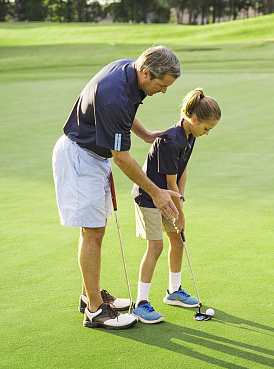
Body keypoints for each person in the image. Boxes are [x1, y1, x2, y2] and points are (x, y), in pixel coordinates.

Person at [52, 46, 184, 329]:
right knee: (93, 233)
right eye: (161, 85)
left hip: (93, 157)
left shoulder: (130, 71)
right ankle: (95, 310)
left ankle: (90, 294)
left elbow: (125, 114)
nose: (163, 92)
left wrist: (145, 134)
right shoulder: (116, 94)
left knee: (95, 231)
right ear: (146, 72)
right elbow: (122, 158)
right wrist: (156, 192)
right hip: (79, 158)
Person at [129, 88, 221, 324]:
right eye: (206, 128)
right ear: (194, 119)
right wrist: (179, 215)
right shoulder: (172, 140)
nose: (207, 133)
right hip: (149, 197)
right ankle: (141, 303)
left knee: (177, 240)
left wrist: (182, 204)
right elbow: (169, 183)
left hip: (168, 195)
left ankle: (174, 291)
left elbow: (182, 173)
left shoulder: (190, 136)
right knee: (156, 246)